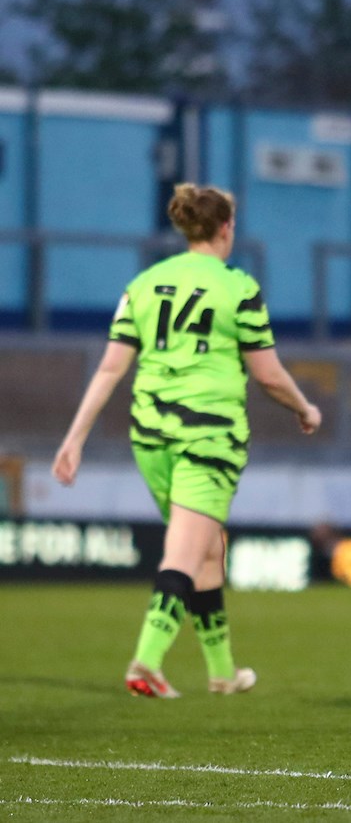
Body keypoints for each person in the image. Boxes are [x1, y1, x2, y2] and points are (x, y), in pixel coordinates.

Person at [52, 182, 322, 698]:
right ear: (226, 228)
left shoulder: (145, 284)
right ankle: (146, 663)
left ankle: (222, 672)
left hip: (150, 437)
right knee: (183, 552)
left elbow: (111, 368)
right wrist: (305, 408)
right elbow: (266, 375)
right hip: (208, 438)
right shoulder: (238, 288)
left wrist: (75, 437)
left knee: (206, 549)